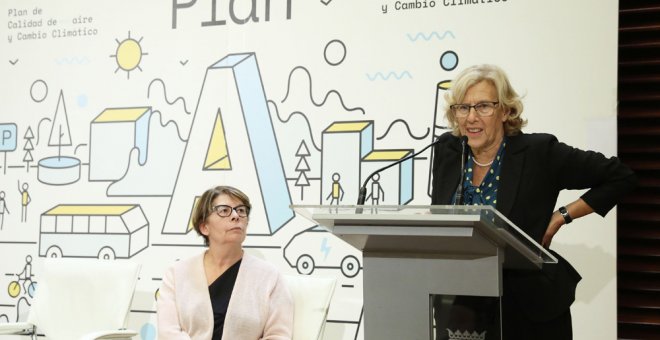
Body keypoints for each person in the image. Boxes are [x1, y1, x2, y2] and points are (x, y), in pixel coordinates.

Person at [431, 64, 636, 339]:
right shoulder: (448, 150)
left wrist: (562, 215)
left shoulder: (538, 153)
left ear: (505, 111)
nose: (471, 117)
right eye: (463, 107)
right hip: (463, 305)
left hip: (529, 308)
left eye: (483, 106)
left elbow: (620, 176)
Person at [157, 186, 294, 340]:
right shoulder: (177, 273)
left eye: (241, 210)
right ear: (204, 227)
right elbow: (167, 333)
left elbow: (278, 336)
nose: (236, 216)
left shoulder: (269, 276)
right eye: (224, 210)